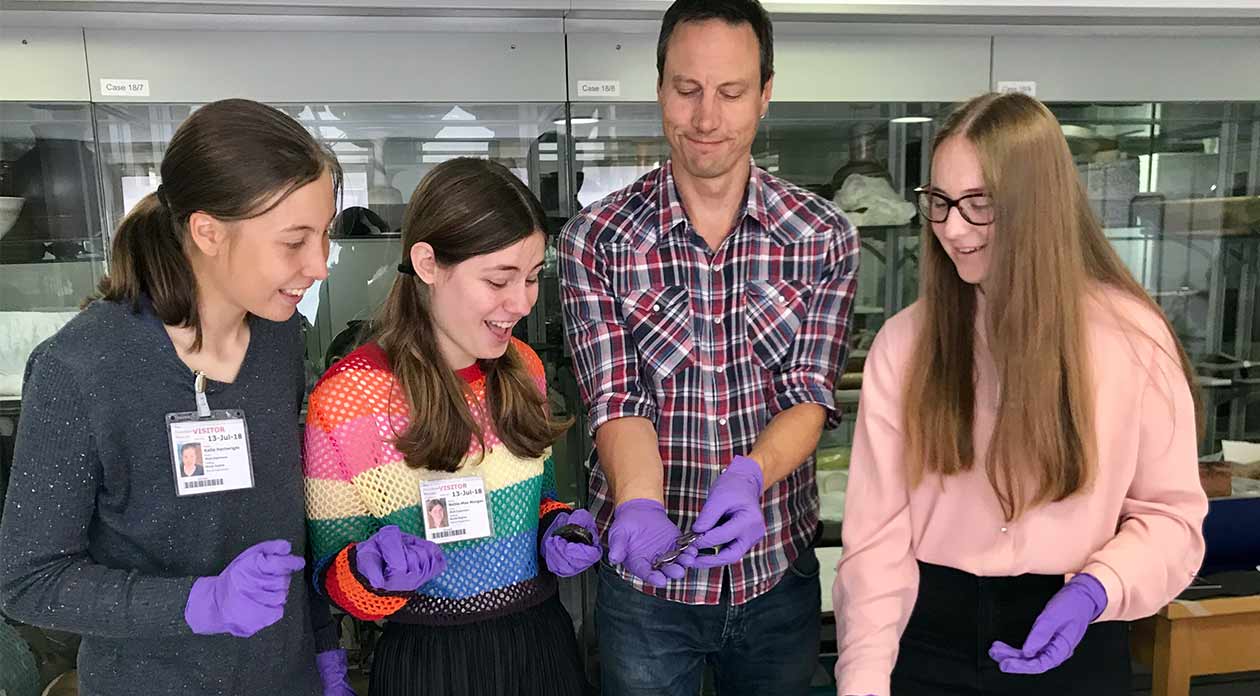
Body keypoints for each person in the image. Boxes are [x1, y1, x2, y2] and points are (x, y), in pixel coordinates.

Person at [833, 92, 1209, 696]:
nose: (953, 229)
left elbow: (1172, 521)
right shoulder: (904, 347)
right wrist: (864, 678)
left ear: (1039, 207)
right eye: (941, 202)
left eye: (979, 204)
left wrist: (1099, 587)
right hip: (927, 639)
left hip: (1075, 636)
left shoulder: (1132, 340)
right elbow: (876, 546)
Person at [0, 98, 358, 694]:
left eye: (323, 236)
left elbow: (284, 527)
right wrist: (200, 603)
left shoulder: (277, 340)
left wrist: (323, 649)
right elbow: (29, 581)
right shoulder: (80, 369)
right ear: (208, 231)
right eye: (294, 242)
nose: (319, 266)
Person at [558, 1, 859, 694]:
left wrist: (751, 474)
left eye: (730, 93)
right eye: (686, 90)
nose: (705, 118)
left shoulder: (823, 236)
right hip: (645, 590)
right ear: (659, 84)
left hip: (776, 573)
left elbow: (809, 391)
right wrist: (639, 502)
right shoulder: (595, 240)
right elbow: (616, 395)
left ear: (765, 93)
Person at [304, 157, 601, 696]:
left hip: (541, 644)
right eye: (498, 279)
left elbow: (540, 500)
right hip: (428, 660)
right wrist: (371, 574)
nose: (521, 302)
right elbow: (331, 576)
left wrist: (560, 530)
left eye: (533, 278)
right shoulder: (349, 397)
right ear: (427, 263)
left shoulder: (524, 368)